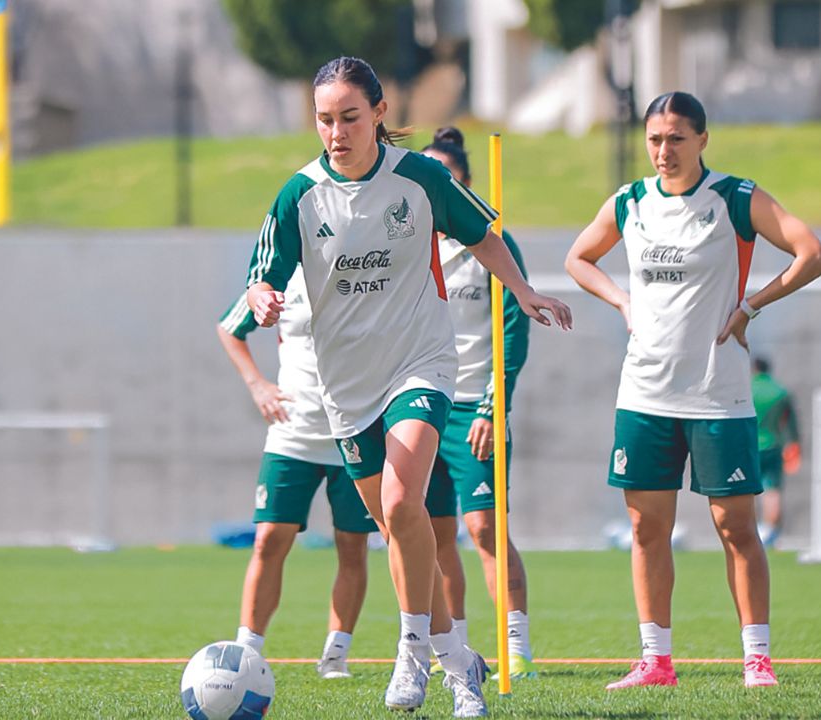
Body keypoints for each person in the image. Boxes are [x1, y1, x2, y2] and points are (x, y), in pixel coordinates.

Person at [242, 56, 571, 717]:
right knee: (402, 527)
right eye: (325, 120)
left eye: (350, 117)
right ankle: (459, 663)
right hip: (345, 386)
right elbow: (263, 275)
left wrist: (526, 291)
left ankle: (411, 652)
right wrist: (263, 297)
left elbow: (484, 234)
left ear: (380, 114)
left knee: (399, 504)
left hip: (420, 364)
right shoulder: (298, 196)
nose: (336, 132)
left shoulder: (420, 178)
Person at [564, 91, 821, 691]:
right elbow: (579, 259)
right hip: (644, 395)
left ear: (702, 140)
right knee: (645, 530)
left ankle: (757, 660)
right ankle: (656, 661)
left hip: (719, 396)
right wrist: (622, 300)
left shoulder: (735, 198)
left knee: (736, 528)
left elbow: (814, 254)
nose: (663, 151)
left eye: (676, 138)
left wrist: (751, 306)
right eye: (655, 139)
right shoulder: (630, 201)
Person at [217, 263, 377, 679]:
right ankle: (247, 650)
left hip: (354, 432)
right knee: (269, 539)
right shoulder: (282, 277)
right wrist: (257, 385)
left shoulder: (367, 268)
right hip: (293, 435)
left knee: (352, 546)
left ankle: (336, 654)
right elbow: (230, 327)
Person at [420, 127, 538, 680]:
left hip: (474, 407)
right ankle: (456, 650)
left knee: (484, 527)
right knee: (433, 534)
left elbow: (512, 331)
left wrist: (495, 406)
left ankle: (516, 647)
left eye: (448, 179)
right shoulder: (406, 244)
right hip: (422, 404)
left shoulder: (491, 244)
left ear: (464, 183)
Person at [751, 356, 801, 548]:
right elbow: (791, 424)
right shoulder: (780, 392)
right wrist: (794, 444)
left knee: (747, 492)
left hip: (750, 446)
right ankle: (770, 532)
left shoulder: (748, 389)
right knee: (772, 491)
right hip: (773, 445)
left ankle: (754, 533)